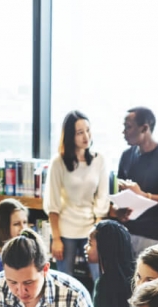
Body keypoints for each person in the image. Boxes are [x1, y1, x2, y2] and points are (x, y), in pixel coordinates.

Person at [43, 110, 109, 281]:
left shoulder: (99, 160)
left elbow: (102, 198)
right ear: (70, 136)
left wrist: (97, 232)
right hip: (66, 230)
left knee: (100, 278)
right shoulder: (58, 162)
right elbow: (53, 203)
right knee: (66, 281)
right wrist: (56, 238)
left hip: (91, 228)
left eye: (88, 130)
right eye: (80, 133)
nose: (86, 136)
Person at [114, 107, 158, 255]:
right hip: (126, 232)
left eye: (128, 127)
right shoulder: (126, 156)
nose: (124, 132)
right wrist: (119, 210)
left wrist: (144, 196)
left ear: (145, 128)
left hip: (152, 235)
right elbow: (120, 195)